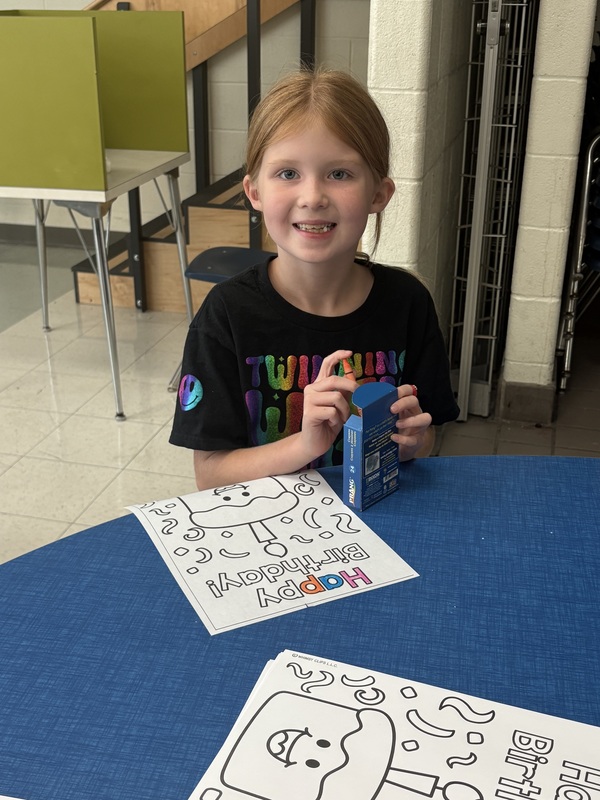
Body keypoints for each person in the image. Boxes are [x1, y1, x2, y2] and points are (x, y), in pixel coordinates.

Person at [170, 67, 459, 490]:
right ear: (255, 193)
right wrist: (305, 445)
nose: (312, 197)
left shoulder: (408, 303)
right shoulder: (227, 315)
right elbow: (210, 474)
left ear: (379, 193)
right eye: (288, 173)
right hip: (271, 540)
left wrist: (412, 442)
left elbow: (425, 438)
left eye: (339, 174)